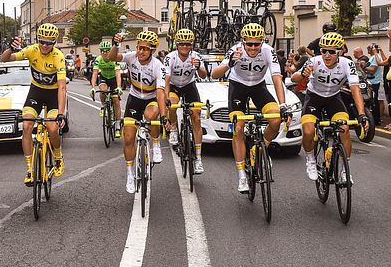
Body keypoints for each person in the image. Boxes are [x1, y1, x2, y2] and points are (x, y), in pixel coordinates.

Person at [211, 23, 290, 193]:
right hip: (237, 87)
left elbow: (277, 78)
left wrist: (283, 105)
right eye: (249, 44)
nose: (253, 47)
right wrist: (230, 63)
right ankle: (241, 176)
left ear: (262, 42)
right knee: (238, 127)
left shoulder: (269, 51)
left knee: (276, 120)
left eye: (257, 44)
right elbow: (214, 74)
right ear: (243, 42)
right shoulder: (235, 50)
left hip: (258, 87)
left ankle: (257, 150)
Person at [291, 32, 369, 183]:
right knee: (308, 130)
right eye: (323, 51)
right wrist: (303, 75)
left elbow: (355, 89)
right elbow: (293, 77)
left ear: (340, 52)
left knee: (344, 129)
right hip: (314, 97)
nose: (327, 55)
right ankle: (310, 159)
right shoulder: (314, 61)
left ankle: (344, 169)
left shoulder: (347, 64)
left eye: (331, 52)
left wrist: (361, 114)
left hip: (334, 98)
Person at [0, 23, 67, 186]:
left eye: (49, 43)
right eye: (42, 41)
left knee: (52, 128)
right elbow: (4, 59)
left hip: (52, 94)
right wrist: (10, 48)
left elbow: (62, 87)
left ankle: (57, 156)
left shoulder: (58, 57)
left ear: (54, 43)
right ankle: (30, 169)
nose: (44, 45)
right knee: (27, 125)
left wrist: (61, 113)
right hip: (36, 91)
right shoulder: (32, 50)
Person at [105, 30, 167, 194]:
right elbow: (111, 58)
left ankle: (155, 144)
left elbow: (161, 92)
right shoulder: (132, 57)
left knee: (150, 116)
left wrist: (164, 115)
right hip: (134, 98)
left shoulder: (158, 66)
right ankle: (130, 174)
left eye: (145, 49)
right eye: (140, 48)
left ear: (152, 50)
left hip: (151, 98)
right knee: (128, 137)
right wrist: (116, 44)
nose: (141, 51)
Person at [163, 29, 208, 174]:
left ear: (192, 45)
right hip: (174, 86)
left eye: (188, 44)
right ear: (177, 44)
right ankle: (174, 129)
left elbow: (203, 75)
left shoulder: (196, 56)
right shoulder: (170, 58)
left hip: (189, 86)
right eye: (182, 44)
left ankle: (199, 158)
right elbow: (167, 80)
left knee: (196, 116)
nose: (185, 47)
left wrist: (198, 66)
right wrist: (166, 98)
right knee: (172, 104)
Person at [89, 41, 123, 138]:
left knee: (116, 101)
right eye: (102, 51)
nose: (104, 53)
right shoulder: (98, 59)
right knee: (103, 90)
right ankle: (103, 105)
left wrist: (119, 87)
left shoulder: (114, 59)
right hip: (104, 78)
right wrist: (92, 88)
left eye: (107, 51)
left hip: (113, 80)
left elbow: (118, 74)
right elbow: (95, 74)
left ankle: (117, 126)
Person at [365, 44, 382, 125]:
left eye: (370, 47)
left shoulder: (375, 57)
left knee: (374, 101)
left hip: (374, 82)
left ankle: (376, 120)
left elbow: (372, 70)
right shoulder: (372, 57)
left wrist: (363, 67)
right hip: (371, 81)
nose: (368, 49)